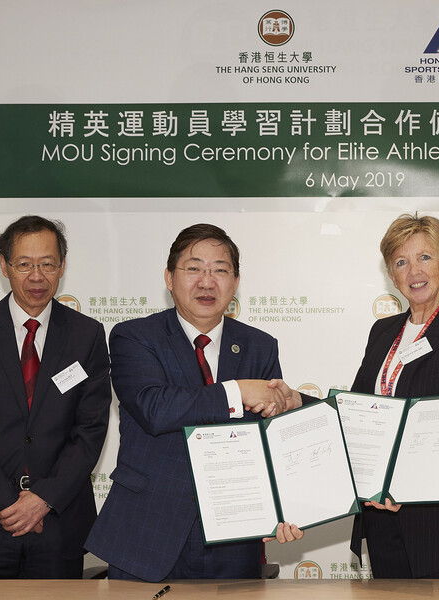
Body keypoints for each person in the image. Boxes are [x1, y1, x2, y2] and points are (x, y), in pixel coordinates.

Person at [85, 224, 303, 582]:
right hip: (148, 532)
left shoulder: (260, 345)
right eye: (194, 268)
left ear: (235, 283)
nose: (207, 281)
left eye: (220, 269)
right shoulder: (134, 336)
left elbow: (271, 439)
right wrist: (238, 392)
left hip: (235, 536)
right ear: (169, 278)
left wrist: (286, 507)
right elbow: (155, 408)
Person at [0, 215, 111, 579]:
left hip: (58, 524)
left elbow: (90, 430)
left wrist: (43, 500)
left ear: (62, 266)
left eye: (47, 264)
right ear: (4, 265)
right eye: (24, 264)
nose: (37, 276)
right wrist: (9, 505)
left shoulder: (87, 335)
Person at [347, 213, 439, 578]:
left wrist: (406, 483)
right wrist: (295, 402)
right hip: (382, 520)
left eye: (425, 257)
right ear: (391, 274)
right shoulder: (382, 333)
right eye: (401, 262)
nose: (413, 271)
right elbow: (354, 412)